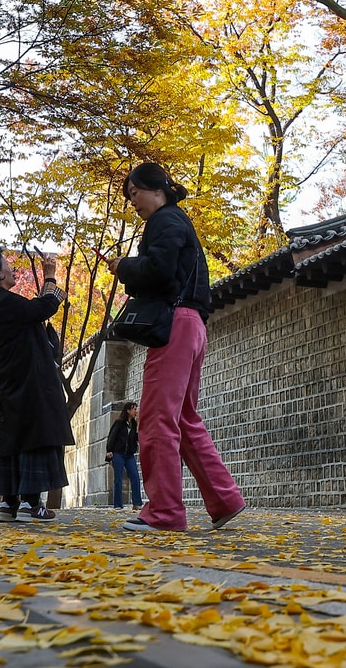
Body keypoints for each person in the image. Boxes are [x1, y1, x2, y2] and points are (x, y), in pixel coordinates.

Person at [109, 163, 245, 533]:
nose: (131, 202)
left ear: (156, 189)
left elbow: (161, 271)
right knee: (184, 419)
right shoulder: (177, 220)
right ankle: (225, 500)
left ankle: (165, 512)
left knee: (155, 418)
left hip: (174, 324)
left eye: (134, 193)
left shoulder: (165, 221)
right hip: (193, 324)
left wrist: (125, 266)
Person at [0, 245, 72, 522]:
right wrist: (50, 276)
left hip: (13, 380)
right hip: (30, 380)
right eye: (7, 264)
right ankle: (31, 503)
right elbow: (44, 307)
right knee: (36, 433)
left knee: (15, 436)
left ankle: (9, 502)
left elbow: (33, 311)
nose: (13, 268)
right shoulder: (3, 301)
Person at [104, 402, 143, 510]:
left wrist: (139, 422)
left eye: (136, 409)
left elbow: (138, 438)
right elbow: (112, 436)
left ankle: (137, 503)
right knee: (118, 479)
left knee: (135, 477)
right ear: (128, 410)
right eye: (134, 409)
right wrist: (109, 450)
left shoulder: (134, 424)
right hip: (118, 454)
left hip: (129, 455)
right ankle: (117, 505)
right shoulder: (119, 423)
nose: (136, 411)